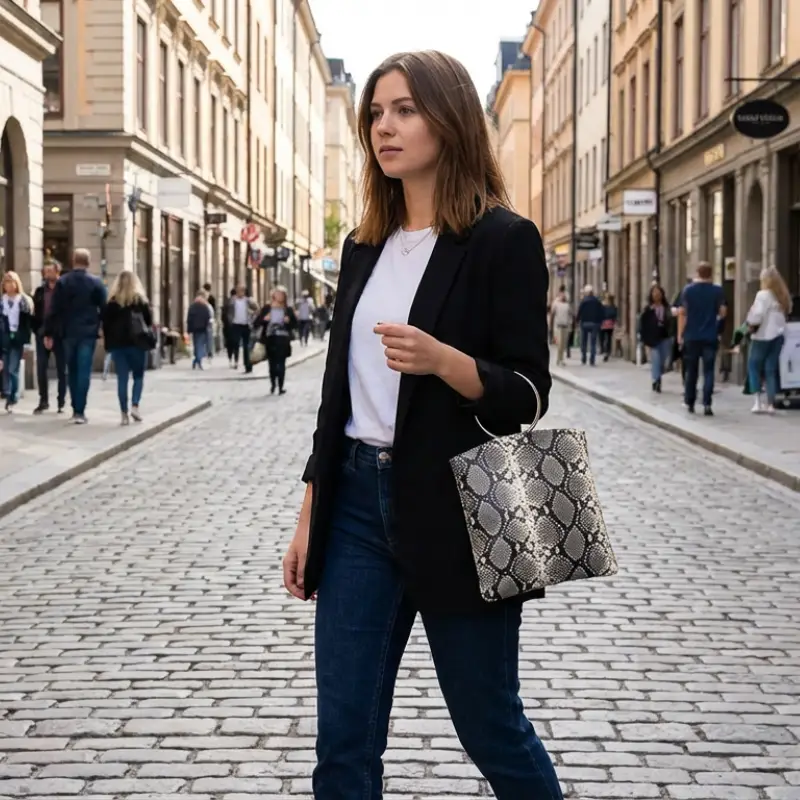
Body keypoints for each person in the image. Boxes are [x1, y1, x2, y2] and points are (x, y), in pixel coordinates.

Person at [282, 50, 561, 800]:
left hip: (464, 507)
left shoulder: (504, 240)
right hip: (355, 513)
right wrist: (313, 510)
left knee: (490, 727)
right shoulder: (364, 245)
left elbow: (528, 395)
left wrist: (445, 361)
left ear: (449, 118)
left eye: (404, 109)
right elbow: (335, 397)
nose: (384, 127)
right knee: (343, 741)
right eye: (375, 112)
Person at [44, 248, 107, 424]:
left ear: (73, 261)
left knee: (71, 369)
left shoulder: (63, 282)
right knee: (84, 370)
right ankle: (80, 410)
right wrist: (103, 327)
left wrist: (48, 332)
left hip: (68, 332)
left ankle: (74, 407)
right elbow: (104, 307)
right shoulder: (95, 283)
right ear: (88, 262)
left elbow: (54, 309)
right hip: (87, 331)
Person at [101, 270, 153, 425]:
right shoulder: (140, 302)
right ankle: (135, 406)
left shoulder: (111, 303)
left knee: (122, 378)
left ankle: (124, 413)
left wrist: (108, 345)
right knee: (138, 376)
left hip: (118, 346)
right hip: (137, 344)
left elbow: (105, 325)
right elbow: (148, 322)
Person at [678, 262, 726, 415]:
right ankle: (707, 403)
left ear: (697, 273)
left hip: (691, 336)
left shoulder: (688, 290)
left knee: (691, 370)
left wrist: (680, 335)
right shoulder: (717, 291)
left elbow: (683, 314)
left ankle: (690, 401)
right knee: (709, 371)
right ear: (711, 273)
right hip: (710, 336)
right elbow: (723, 312)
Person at [746, 266, 790, 414]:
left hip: (762, 336)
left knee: (753, 366)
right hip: (778, 336)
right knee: (770, 369)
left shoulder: (763, 295)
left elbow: (757, 315)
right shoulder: (782, 295)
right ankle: (771, 404)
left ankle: (757, 402)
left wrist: (749, 323)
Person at [32, 261, 67, 414]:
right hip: (42, 333)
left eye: (50, 271)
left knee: (62, 369)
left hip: (60, 335)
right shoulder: (40, 291)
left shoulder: (64, 290)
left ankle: (61, 400)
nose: (47, 274)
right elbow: (36, 313)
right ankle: (43, 400)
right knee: (41, 368)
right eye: (45, 271)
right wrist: (38, 331)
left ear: (57, 272)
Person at [0, 271, 35, 412]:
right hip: (4, 338)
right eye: (6, 283)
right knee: (5, 369)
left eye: (11, 282)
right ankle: (8, 395)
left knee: (13, 369)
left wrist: (26, 343)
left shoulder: (23, 301)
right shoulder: (1, 302)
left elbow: (27, 324)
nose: (8, 286)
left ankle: (14, 394)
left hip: (18, 338)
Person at [254, 286, 297, 395]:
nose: (279, 296)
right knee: (272, 364)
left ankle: (281, 386)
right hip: (270, 339)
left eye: (281, 294)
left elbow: (295, 324)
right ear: (273, 296)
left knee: (281, 363)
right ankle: (273, 384)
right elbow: (256, 323)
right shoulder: (267, 308)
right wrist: (265, 319)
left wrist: (288, 321)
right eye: (277, 294)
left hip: (283, 339)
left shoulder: (288, 309)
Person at [639, 284, 672, 393]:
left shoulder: (667, 308)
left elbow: (671, 322)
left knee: (662, 361)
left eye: (659, 293)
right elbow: (643, 324)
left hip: (665, 336)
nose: (656, 295)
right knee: (656, 359)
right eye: (654, 292)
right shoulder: (648, 309)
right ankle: (657, 381)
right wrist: (643, 339)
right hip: (652, 338)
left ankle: (657, 376)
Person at [224, 285, 258, 372]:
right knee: (236, 343)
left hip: (246, 325)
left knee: (247, 346)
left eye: (241, 291)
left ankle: (247, 365)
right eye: (238, 291)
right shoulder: (232, 301)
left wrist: (252, 315)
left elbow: (257, 309)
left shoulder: (248, 301)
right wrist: (230, 320)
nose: (240, 293)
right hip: (236, 325)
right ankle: (236, 361)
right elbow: (227, 311)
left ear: (244, 292)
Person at [576, 284, 604, 366]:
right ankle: (592, 360)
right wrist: (600, 322)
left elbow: (579, 312)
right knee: (593, 342)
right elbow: (602, 312)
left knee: (584, 342)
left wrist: (577, 321)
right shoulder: (597, 301)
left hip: (584, 323)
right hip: (595, 323)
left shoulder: (584, 301)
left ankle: (584, 358)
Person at [186, 290, 213, 370]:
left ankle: (196, 360)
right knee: (200, 345)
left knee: (197, 345)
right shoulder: (205, 307)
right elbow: (208, 318)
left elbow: (189, 319)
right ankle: (197, 360)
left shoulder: (192, 306)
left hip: (195, 329)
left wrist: (189, 329)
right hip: (202, 328)